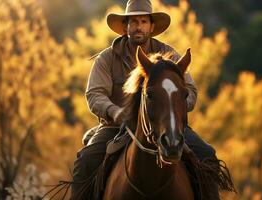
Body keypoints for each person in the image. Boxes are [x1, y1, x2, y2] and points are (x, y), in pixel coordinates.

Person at [71, 0, 219, 199]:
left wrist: (174, 109)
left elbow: (190, 90)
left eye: (143, 21)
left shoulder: (171, 57)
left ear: (151, 27)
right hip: (115, 126)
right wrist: (116, 112)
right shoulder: (107, 58)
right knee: (85, 161)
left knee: (207, 155)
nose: (138, 26)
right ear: (125, 27)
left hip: (166, 123)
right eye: (133, 22)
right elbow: (94, 94)